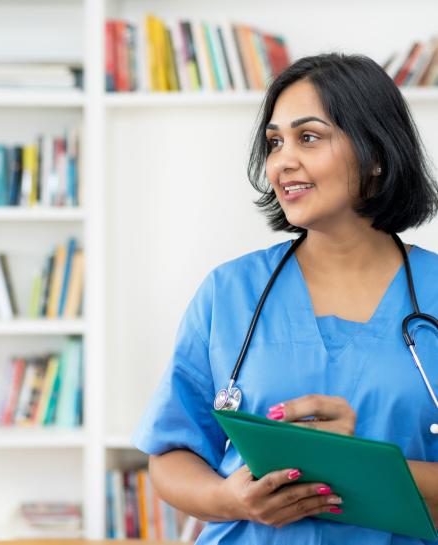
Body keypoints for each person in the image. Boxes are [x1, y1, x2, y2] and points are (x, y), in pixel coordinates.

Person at [132, 52, 438, 544]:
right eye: (274, 142)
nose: (282, 161)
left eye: (309, 137)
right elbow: (170, 455)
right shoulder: (229, 292)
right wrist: (230, 501)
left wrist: (362, 464)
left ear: (376, 153)